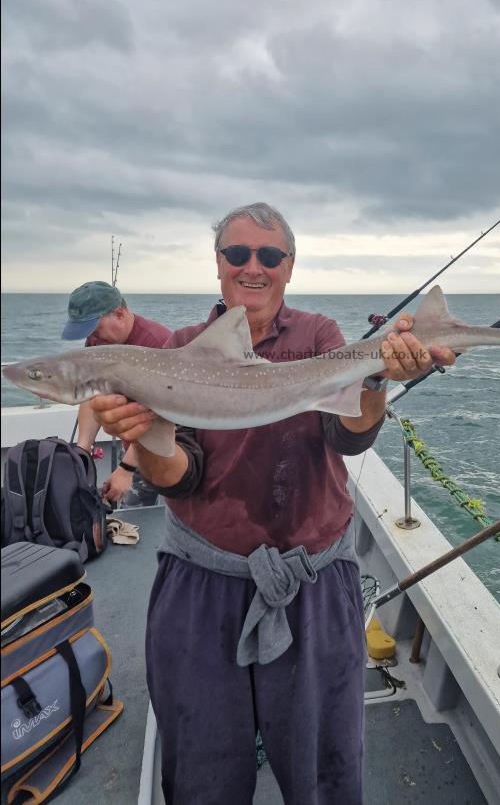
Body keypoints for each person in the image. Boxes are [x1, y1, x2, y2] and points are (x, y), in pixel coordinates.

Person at [89, 203, 455, 804]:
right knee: (202, 772)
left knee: (325, 774)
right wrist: (143, 434)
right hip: (203, 585)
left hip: (311, 583)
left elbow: (347, 437)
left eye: (269, 255)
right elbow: (181, 476)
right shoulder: (180, 351)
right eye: (237, 254)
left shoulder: (320, 339)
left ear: (289, 267)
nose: (251, 267)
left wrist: (378, 381)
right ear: (218, 264)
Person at [62, 280, 171, 506]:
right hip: (133, 445)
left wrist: (126, 469)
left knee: (139, 513)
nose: (90, 339)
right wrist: (83, 451)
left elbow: (157, 420)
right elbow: (93, 394)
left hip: (166, 447)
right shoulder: (99, 344)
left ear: (120, 314)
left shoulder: (157, 344)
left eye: (93, 330)